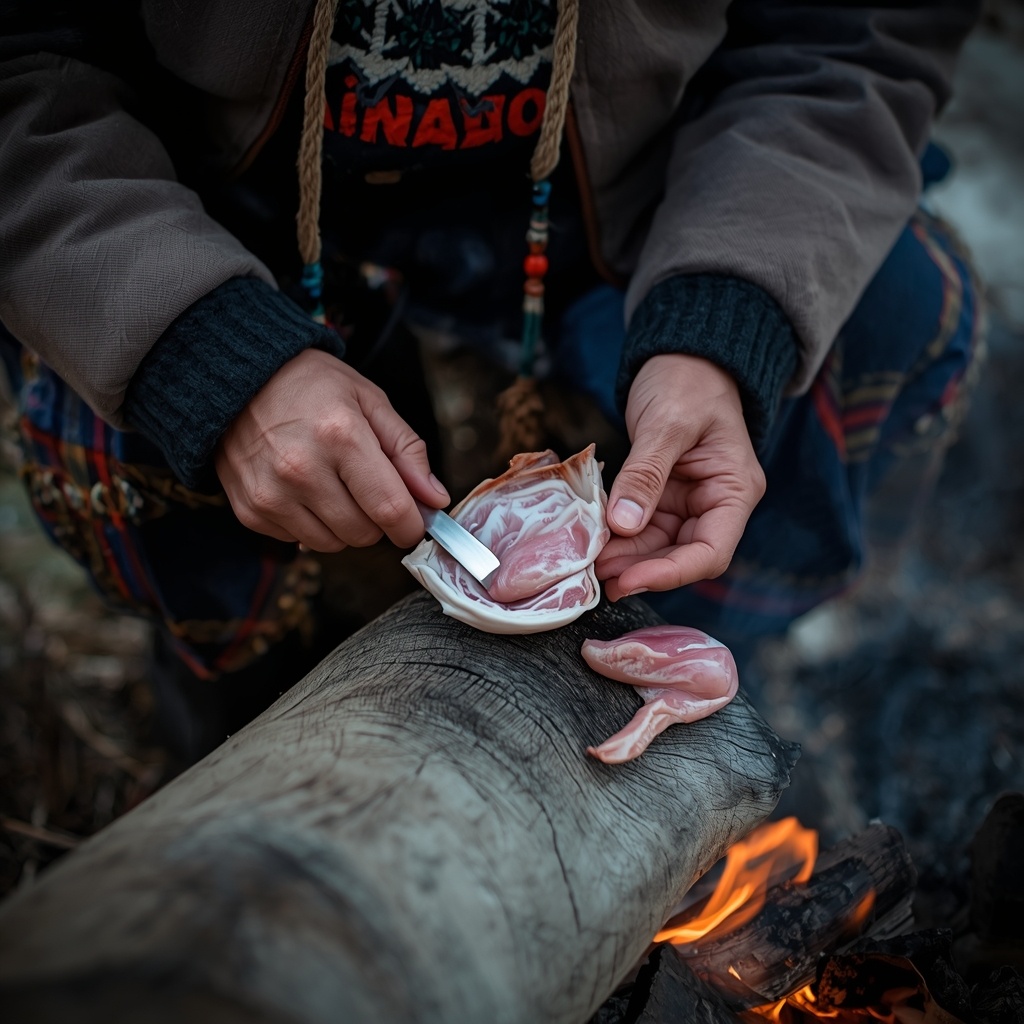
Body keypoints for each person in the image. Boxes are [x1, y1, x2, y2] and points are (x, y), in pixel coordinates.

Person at [0, 0, 983, 760]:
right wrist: (197, 347)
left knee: (893, 307)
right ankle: (242, 696)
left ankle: (687, 659)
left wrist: (728, 325)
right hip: (223, 217)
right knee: (119, 407)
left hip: (635, 203)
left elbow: (850, 41)